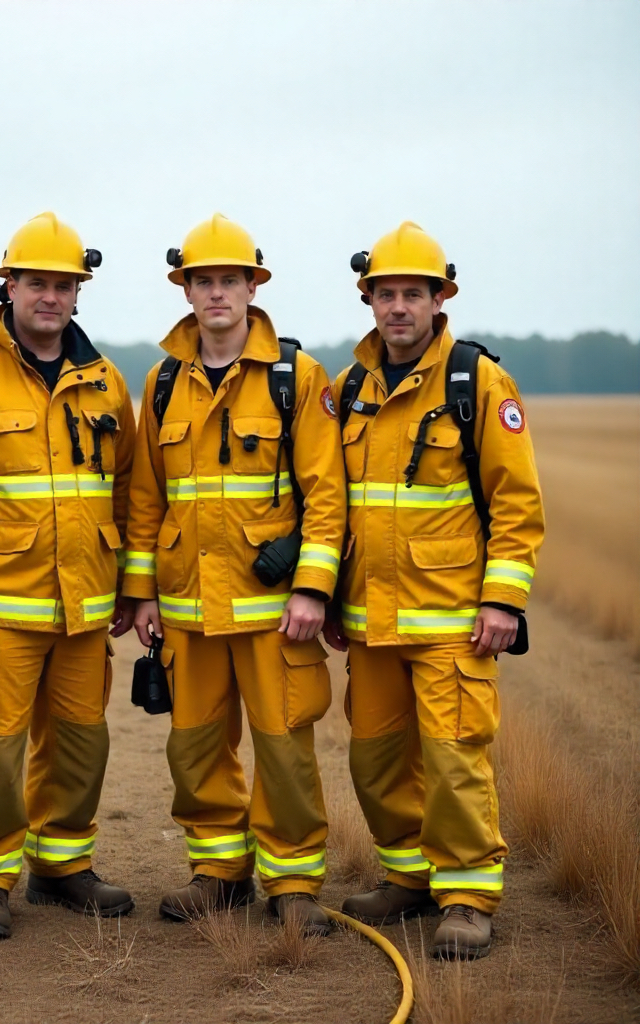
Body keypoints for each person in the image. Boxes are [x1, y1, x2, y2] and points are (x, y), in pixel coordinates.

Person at [0, 212, 137, 940]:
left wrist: (132, 589)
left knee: (79, 743)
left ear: (79, 295)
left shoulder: (105, 383)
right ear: (7, 285)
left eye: (64, 285)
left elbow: (132, 490)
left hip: (83, 609)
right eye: (36, 282)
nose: (50, 296)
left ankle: (62, 867)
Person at [124, 214, 348, 933]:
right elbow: (146, 499)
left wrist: (313, 586)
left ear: (253, 286)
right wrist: (142, 595)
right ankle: (218, 873)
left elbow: (328, 492)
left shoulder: (297, 377)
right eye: (203, 280)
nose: (216, 292)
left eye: (230, 280)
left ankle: (292, 886)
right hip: (188, 610)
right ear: (185, 290)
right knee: (195, 748)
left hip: (273, 612)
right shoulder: (162, 383)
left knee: (283, 750)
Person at [329, 221, 544, 959]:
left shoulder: (478, 382)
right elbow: (329, 504)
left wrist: (502, 600)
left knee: (454, 760)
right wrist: (329, 598)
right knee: (377, 759)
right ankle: (409, 876)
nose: (397, 308)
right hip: (371, 622)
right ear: (369, 301)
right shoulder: (348, 389)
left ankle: (467, 895)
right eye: (385, 294)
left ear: (438, 298)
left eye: (411, 294)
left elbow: (516, 501)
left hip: (454, 618)